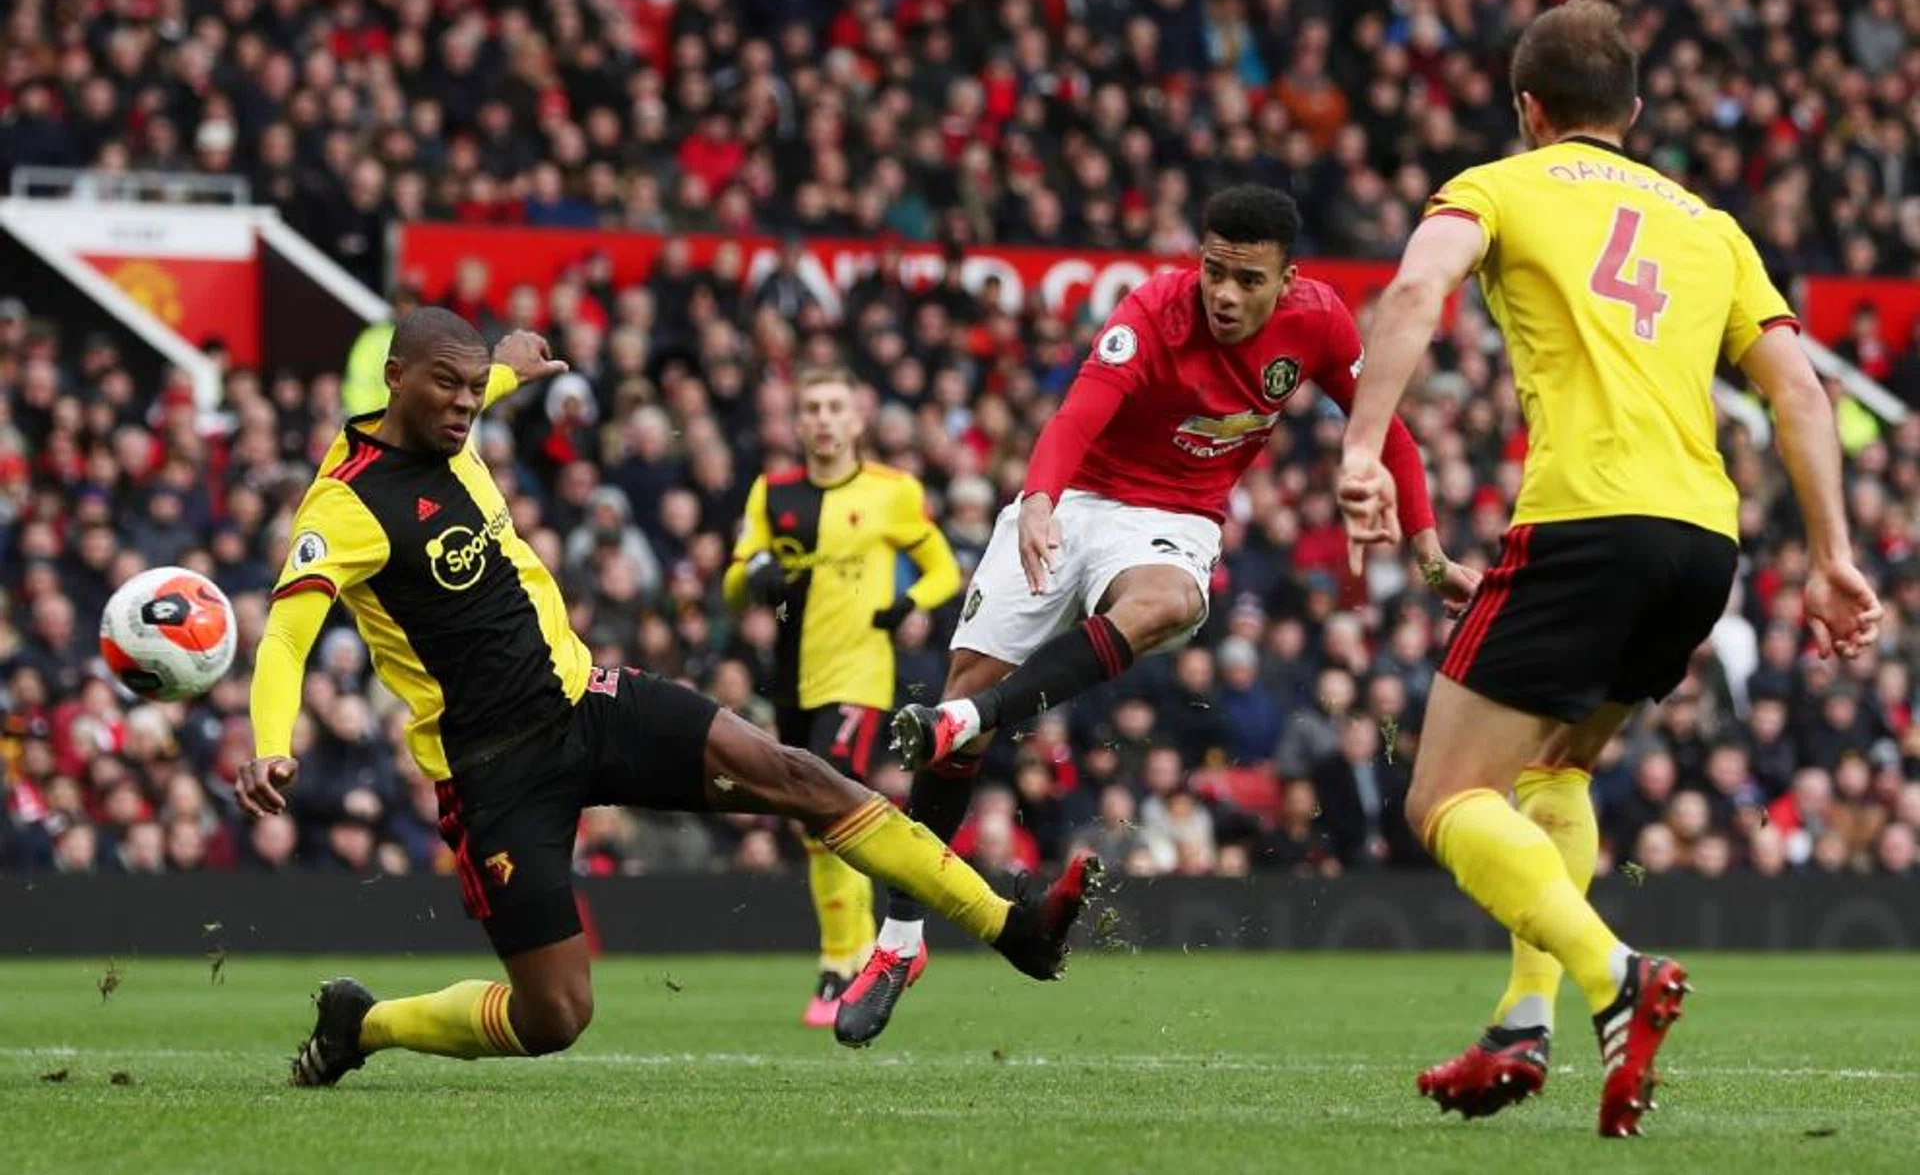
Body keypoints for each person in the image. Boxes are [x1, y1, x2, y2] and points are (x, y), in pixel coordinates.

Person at [236, 308, 1095, 1085]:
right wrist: (271, 742)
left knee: (803, 777)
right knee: (555, 1015)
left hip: (588, 700)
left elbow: (477, 379)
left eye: (472, 388)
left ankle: (1011, 926)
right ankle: (365, 1024)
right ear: (394, 380)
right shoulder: (345, 505)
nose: (465, 404)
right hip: (495, 770)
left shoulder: (451, 416)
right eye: (446, 386)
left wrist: (509, 367)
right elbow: (285, 638)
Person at [1335, 0, 1884, 1138]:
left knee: (1444, 797)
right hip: (1702, 545)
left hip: (1586, 521)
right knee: (1558, 770)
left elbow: (1416, 290)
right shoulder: (1711, 225)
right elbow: (1797, 388)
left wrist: (1361, 449)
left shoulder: (1497, 185)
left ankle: (1613, 974)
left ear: (1527, 108)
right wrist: (1831, 554)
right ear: (1632, 111)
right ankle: (1521, 1023)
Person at [841, 184, 1474, 1047]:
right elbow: (1076, 416)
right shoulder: (1151, 312)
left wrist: (1430, 554)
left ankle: (973, 716)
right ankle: (900, 939)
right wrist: (1038, 500)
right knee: (961, 716)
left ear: (1288, 280)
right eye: (1214, 270)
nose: (1224, 293)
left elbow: (1387, 430)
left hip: (1173, 519)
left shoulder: (1321, 323)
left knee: (1167, 600)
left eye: (1247, 279)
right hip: (1075, 498)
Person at [723, 366, 961, 1027]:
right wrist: (754, 577)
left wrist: (907, 603)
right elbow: (733, 583)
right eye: (812, 408)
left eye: (835, 407)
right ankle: (856, 953)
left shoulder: (893, 491)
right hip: (791, 678)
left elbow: (945, 569)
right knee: (813, 822)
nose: (824, 419)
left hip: (858, 674)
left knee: (829, 799)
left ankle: (840, 966)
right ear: (798, 423)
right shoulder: (771, 493)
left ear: (857, 420)